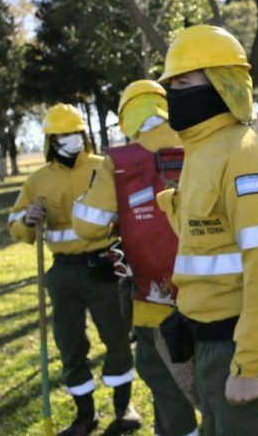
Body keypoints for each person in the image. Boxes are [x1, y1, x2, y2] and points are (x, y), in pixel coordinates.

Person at [155, 24, 258, 435]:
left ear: (222, 82)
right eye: (170, 85)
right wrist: (174, 206)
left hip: (245, 346)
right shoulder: (202, 150)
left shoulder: (245, 159)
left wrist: (248, 364)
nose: (172, 94)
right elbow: (208, 241)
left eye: (183, 82)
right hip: (210, 347)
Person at [72, 80, 199, 436]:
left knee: (165, 381)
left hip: (155, 302)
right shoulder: (202, 143)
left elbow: (87, 226)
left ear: (127, 119)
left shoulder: (119, 163)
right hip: (217, 298)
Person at [7, 103, 141, 436]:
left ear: (84, 135)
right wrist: (27, 220)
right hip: (63, 273)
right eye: (63, 135)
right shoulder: (37, 181)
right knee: (70, 344)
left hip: (104, 266)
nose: (72, 140)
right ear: (51, 140)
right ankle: (85, 415)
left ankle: (124, 409)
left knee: (117, 338)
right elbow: (14, 223)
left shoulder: (103, 167)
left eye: (76, 134)